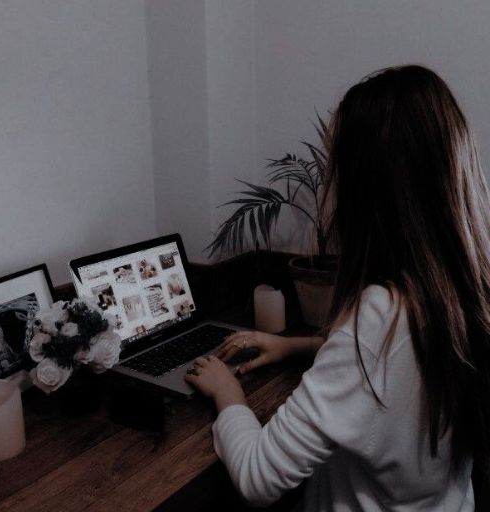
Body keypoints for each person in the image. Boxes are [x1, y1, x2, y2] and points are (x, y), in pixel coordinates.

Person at [185, 65, 490, 511]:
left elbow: (258, 476)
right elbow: (402, 369)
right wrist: (296, 346)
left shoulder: (380, 316)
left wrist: (225, 391)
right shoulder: (466, 285)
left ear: (368, 186)